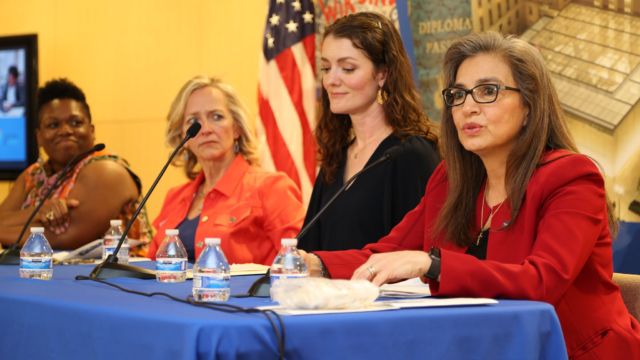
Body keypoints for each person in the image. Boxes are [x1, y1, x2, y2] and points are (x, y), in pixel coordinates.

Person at [303, 32, 640, 358]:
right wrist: (313, 264)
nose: (468, 107)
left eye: (488, 91)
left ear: (529, 105)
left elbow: (542, 283)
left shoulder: (571, 177)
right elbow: (385, 253)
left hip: (573, 353)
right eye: (458, 95)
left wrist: (432, 264)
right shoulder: (450, 179)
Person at [298, 12, 440, 253]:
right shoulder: (335, 159)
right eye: (325, 67)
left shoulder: (411, 155)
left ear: (382, 74)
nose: (331, 80)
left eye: (348, 68)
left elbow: (420, 257)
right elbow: (308, 251)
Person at [147, 76, 305, 265]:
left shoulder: (271, 188)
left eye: (217, 117)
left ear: (236, 128)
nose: (205, 129)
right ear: (183, 136)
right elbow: (150, 267)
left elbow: (301, 263)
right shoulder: (174, 197)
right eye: (193, 121)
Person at [0, 78, 151, 250]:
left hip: (117, 275)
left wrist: (22, 220)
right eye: (53, 124)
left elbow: (63, 238)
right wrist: (40, 213)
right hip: (41, 272)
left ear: (92, 130)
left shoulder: (107, 170)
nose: (65, 130)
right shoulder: (32, 175)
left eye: (75, 122)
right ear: (39, 137)